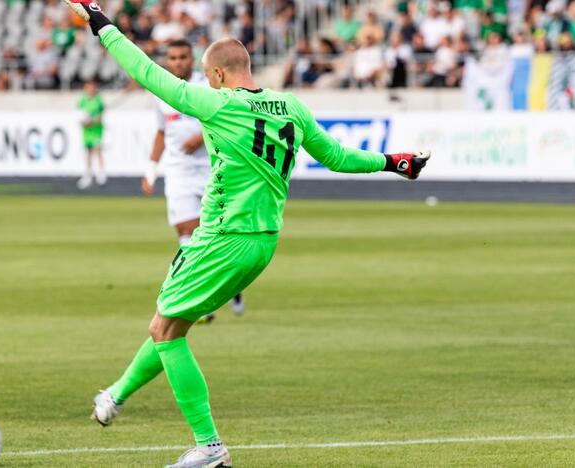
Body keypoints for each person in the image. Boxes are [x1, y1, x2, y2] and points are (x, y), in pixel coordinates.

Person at [65, 1, 431, 467]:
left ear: (217, 75)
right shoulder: (291, 106)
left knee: (165, 329)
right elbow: (338, 156)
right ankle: (116, 395)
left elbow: (147, 73)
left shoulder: (217, 104)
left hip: (223, 236)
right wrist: (394, 162)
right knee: (172, 324)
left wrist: (100, 22)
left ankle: (209, 446)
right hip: (263, 241)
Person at [141, 39, 245, 323]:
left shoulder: (208, 84)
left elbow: (227, 117)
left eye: (182, 57)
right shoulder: (161, 92)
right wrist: (151, 170)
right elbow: (161, 132)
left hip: (213, 167)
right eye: (172, 57)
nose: (177, 62)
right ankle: (200, 300)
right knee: (186, 232)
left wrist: (200, 137)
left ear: (192, 59)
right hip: (178, 171)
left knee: (218, 235)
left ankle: (228, 286)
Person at [76, 80, 106, 189]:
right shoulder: (83, 100)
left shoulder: (98, 100)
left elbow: (100, 117)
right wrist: (83, 122)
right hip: (87, 131)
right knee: (88, 152)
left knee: (97, 150)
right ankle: (88, 175)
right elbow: (79, 114)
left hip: (96, 130)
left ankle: (101, 173)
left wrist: (92, 121)